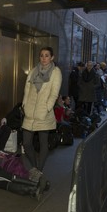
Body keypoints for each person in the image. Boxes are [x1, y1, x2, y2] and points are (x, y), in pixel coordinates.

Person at [21, 47, 62, 182]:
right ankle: (35, 168)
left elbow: (54, 93)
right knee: (27, 143)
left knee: (43, 142)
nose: (44, 58)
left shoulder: (56, 72)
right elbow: (27, 89)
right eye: (41, 56)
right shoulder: (34, 71)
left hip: (44, 112)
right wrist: (25, 104)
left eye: (46, 56)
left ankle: (39, 170)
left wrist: (47, 107)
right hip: (30, 112)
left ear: (52, 57)